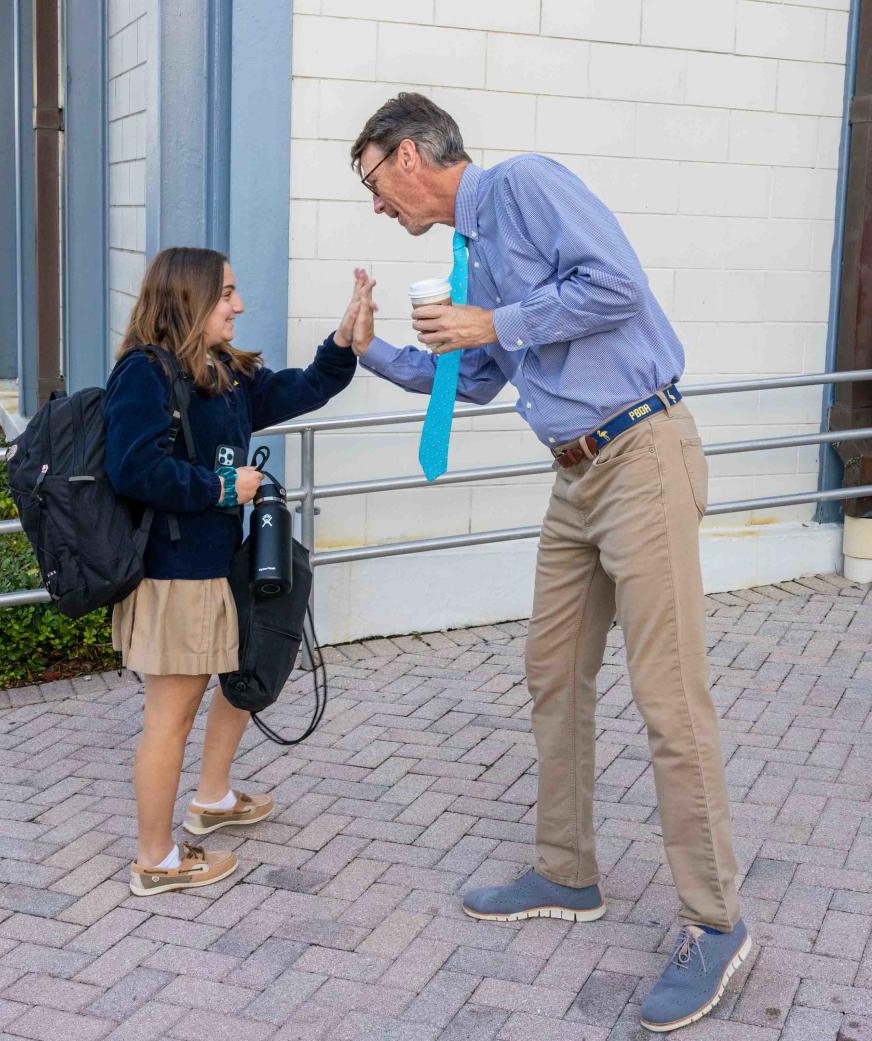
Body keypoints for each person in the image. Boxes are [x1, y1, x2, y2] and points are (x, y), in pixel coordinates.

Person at [347, 93, 749, 1033]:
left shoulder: (523, 186)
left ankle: (715, 919)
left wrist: (499, 322)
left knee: (669, 697)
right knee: (551, 674)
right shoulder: (470, 254)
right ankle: (566, 869)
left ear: (411, 156)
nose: (375, 205)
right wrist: (375, 353)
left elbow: (617, 285)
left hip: (642, 453)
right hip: (575, 476)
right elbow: (479, 377)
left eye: (371, 182)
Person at [104, 247, 368, 897]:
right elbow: (133, 470)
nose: (239, 304)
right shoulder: (146, 373)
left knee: (235, 679)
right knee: (170, 716)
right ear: (190, 297)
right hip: (175, 574)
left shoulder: (221, 373)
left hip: (216, 567)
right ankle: (156, 860)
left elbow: (303, 387)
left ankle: (213, 797)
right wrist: (225, 487)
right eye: (226, 292)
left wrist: (343, 341)